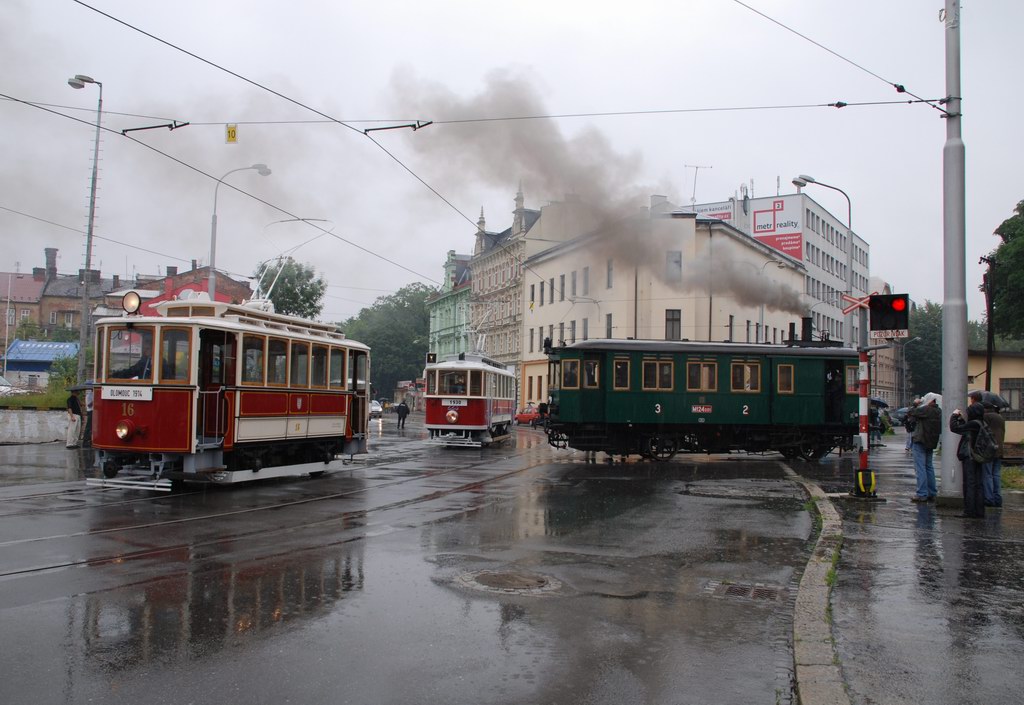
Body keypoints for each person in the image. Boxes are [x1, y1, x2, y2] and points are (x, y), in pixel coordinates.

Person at [949, 391, 986, 519]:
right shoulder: (982, 423)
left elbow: (954, 428)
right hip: (979, 456)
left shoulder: (973, 424)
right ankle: (979, 511)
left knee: (969, 483)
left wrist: (954, 416)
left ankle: (969, 511)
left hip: (969, 456)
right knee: (979, 484)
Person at [906, 395, 941, 503]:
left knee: (920, 468)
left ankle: (922, 493)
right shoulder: (938, 411)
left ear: (929, 401)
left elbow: (911, 412)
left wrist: (915, 404)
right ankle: (932, 492)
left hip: (920, 440)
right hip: (931, 441)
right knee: (929, 467)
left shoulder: (926, 409)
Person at [982, 400, 1005, 508]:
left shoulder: (986, 417)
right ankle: (997, 498)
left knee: (987, 475)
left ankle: (989, 498)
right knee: (996, 474)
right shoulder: (1000, 417)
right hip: (999, 449)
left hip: (989, 450)